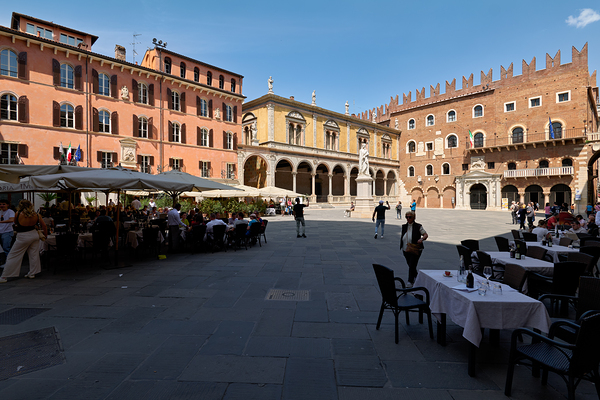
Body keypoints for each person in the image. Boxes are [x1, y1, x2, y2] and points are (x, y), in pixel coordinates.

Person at [0, 200, 47, 282]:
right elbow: (44, 226)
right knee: (34, 254)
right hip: (34, 234)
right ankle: (32, 273)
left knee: (13, 255)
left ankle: (5, 276)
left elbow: (15, 223)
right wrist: (45, 236)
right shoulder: (36, 214)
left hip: (23, 236)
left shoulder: (18, 213)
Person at [400, 211, 428, 287]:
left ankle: (410, 281)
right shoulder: (404, 226)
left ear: (414, 217)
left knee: (412, 265)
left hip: (415, 249)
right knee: (411, 265)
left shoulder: (418, 226)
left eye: (410, 217)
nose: (408, 219)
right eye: (407, 217)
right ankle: (419, 278)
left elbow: (425, 234)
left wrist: (421, 239)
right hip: (405, 249)